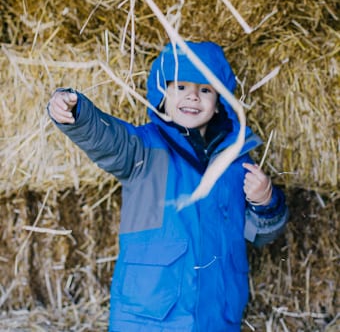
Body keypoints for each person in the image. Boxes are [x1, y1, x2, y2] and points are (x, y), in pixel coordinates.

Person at [47, 40, 288, 332]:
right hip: (150, 315)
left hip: (217, 314)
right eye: (181, 87)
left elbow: (259, 236)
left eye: (205, 90)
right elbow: (107, 139)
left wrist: (265, 202)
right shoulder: (144, 149)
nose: (193, 97)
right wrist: (77, 113)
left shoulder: (236, 161)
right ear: (162, 94)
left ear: (219, 103)